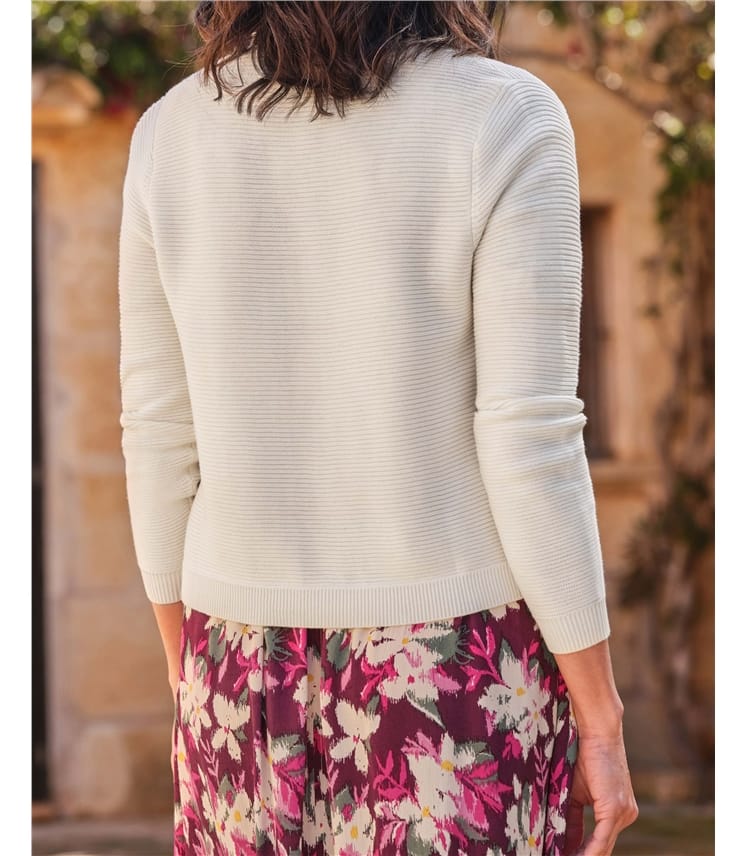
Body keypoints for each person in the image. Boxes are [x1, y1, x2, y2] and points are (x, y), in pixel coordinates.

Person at [117, 2, 638, 854]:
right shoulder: (503, 114)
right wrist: (601, 717)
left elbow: (155, 428)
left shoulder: (167, 133)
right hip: (457, 669)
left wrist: (189, 662)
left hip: (231, 666)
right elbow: (528, 434)